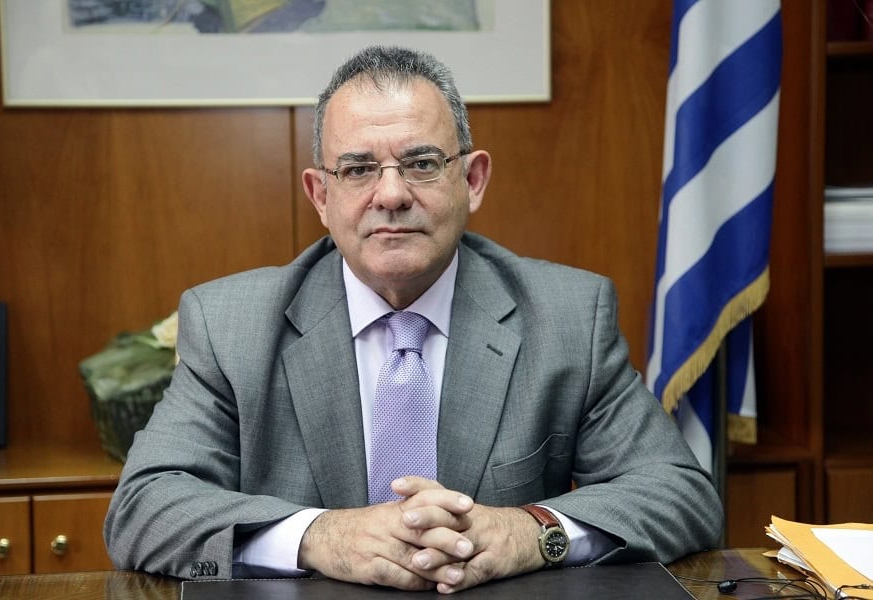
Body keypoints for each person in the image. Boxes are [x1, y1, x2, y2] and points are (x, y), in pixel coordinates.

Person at [104, 45, 722, 594]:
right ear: (321, 196)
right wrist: (321, 537)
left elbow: (681, 494)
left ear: (472, 180)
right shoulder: (231, 325)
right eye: (358, 169)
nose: (392, 194)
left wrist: (529, 532)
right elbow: (143, 508)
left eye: (422, 163)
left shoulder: (567, 317)